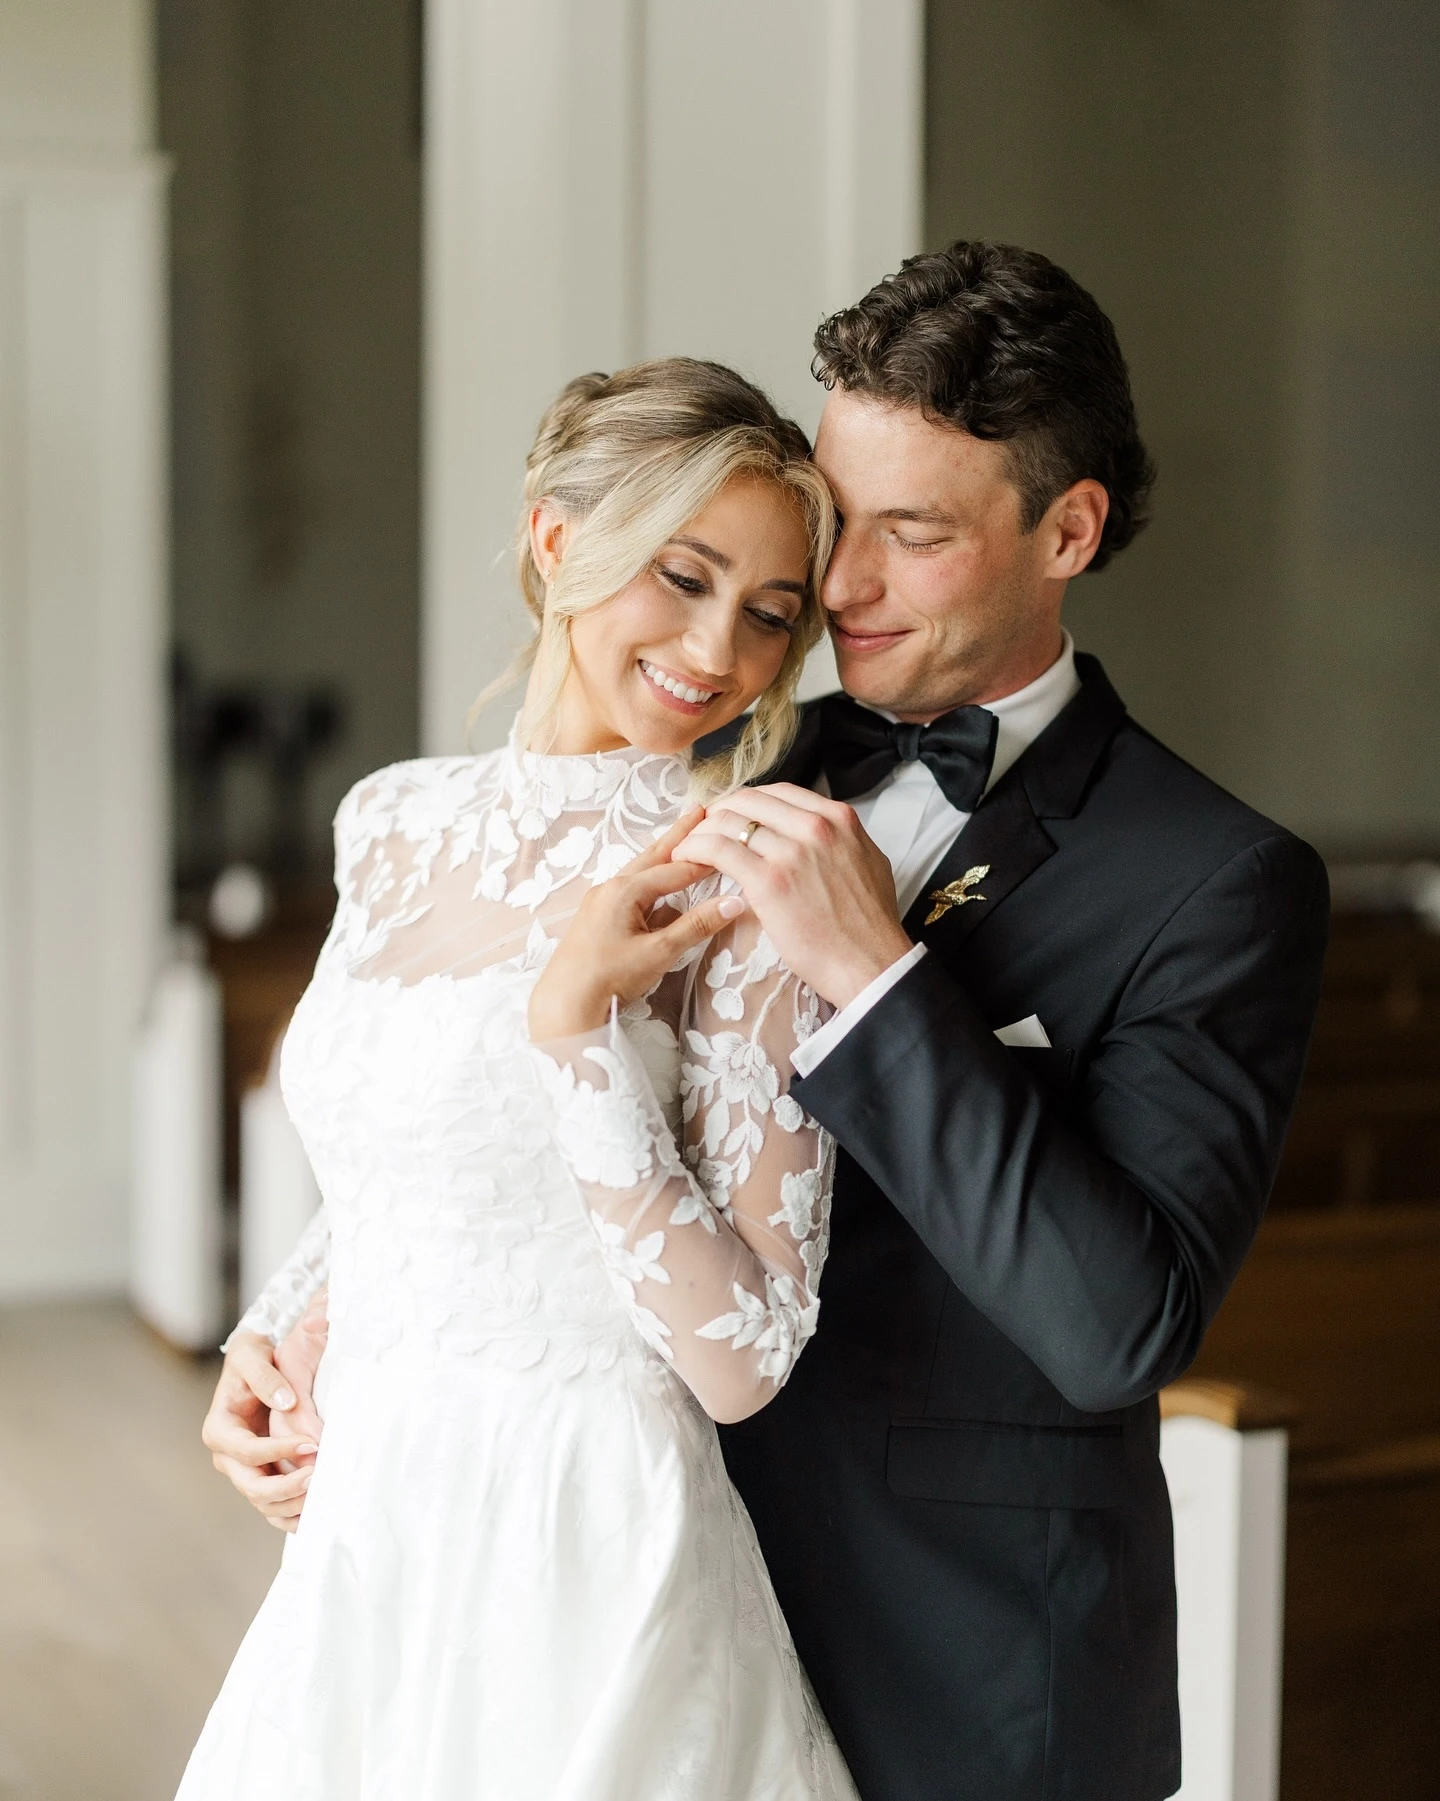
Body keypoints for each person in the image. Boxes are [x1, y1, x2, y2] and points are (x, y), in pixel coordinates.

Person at [208, 245, 1330, 1801]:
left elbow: (1117, 1327)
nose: (840, 591)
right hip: (618, 1582)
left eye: (913, 535)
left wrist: (879, 982)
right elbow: (507, 1116)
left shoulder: (1214, 880)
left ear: (1067, 529)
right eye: (836, 525)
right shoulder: (722, 760)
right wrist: (294, 1321)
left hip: (964, 1662)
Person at [177, 358, 859, 1799]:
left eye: (769, 613)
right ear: (558, 543)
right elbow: (409, 1166)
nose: (718, 648)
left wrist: (578, 1032)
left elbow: (747, 1356)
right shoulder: (393, 821)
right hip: (377, 1534)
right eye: (682, 577)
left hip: (588, 1545)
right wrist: (272, 1332)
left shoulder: (744, 875)